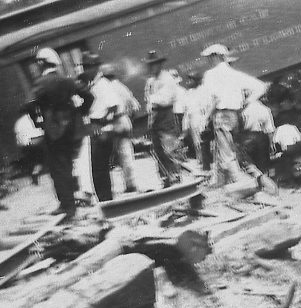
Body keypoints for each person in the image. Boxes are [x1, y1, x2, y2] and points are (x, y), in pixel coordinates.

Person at [24, 47, 94, 218]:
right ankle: (73, 202)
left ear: (42, 64)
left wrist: (38, 121)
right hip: (74, 129)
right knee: (71, 165)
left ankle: (68, 206)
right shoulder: (67, 80)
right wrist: (81, 112)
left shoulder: (40, 83)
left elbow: (29, 105)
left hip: (54, 131)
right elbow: (89, 96)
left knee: (59, 168)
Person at [200, 43, 266, 187]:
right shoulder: (234, 73)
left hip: (221, 114)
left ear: (216, 57)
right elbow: (261, 87)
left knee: (226, 152)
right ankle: (222, 181)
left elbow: (213, 98)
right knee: (233, 149)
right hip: (235, 115)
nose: (208, 61)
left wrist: (205, 117)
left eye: (210, 57)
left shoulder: (210, 74)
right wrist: (246, 102)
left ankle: (239, 184)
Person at [85, 54, 141, 201]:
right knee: (122, 155)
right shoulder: (110, 85)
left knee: (123, 153)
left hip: (117, 122)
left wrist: (105, 119)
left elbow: (115, 106)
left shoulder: (106, 85)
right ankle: (129, 184)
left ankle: (131, 184)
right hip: (119, 121)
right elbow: (134, 106)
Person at [144, 50, 185, 187]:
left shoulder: (167, 78)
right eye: (150, 65)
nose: (151, 67)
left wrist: (153, 99)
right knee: (158, 149)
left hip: (165, 115)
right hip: (155, 116)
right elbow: (148, 99)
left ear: (160, 64)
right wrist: (152, 101)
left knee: (169, 147)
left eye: (154, 64)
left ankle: (175, 175)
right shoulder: (151, 81)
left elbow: (165, 99)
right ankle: (165, 177)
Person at [239, 93, 275, 176]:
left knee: (250, 162)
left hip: (247, 136)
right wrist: (271, 143)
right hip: (262, 136)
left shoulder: (244, 110)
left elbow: (239, 126)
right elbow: (269, 129)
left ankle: (254, 181)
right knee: (263, 162)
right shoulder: (265, 109)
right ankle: (265, 181)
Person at [181, 72, 212, 172]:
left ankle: (207, 163)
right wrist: (185, 125)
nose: (188, 82)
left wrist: (206, 119)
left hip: (201, 117)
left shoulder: (203, 91)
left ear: (197, 81)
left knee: (203, 141)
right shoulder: (188, 93)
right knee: (196, 142)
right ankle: (201, 162)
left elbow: (207, 106)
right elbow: (186, 109)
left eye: (191, 79)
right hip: (192, 118)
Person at [13, 113, 44, 186]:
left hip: (28, 143)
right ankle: (35, 176)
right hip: (31, 142)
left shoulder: (20, 122)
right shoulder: (26, 120)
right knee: (36, 161)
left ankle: (34, 176)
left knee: (34, 161)